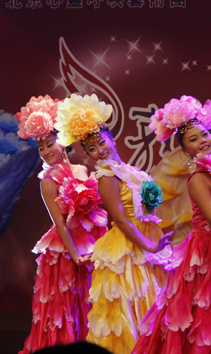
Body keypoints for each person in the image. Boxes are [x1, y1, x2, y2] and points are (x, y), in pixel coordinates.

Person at [133, 95, 211, 353]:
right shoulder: (199, 177)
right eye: (193, 139)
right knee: (209, 318)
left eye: (204, 134)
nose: (202, 140)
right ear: (185, 151)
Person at [54, 93, 172, 354]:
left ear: (111, 138)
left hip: (147, 237)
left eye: (101, 142)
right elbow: (121, 220)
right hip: (129, 246)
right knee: (134, 307)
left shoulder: (128, 171)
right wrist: (150, 247)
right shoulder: (107, 177)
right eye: (92, 149)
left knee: (155, 302)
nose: (100, 150)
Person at [17, 95, 107, 354]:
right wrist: (75, 254)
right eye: (41, 148)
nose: (45, 151)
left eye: (49, 144)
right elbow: (58, 221)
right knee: (65, 308)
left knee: (88, 302)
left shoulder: (82, 170)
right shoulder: (47, 181)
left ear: (64, 141)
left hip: (91, 241)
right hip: (67, 249)